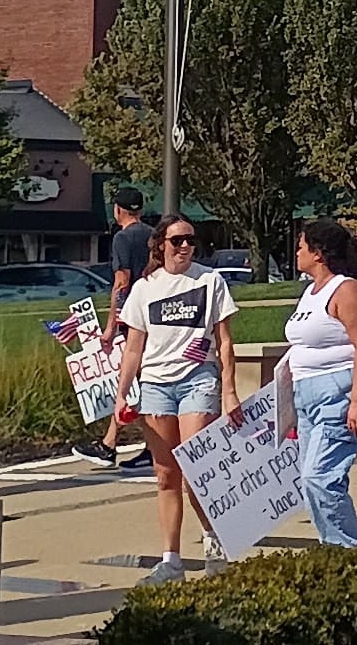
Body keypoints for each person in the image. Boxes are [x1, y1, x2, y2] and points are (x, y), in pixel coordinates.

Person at [112, 215, 241, 584]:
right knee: (166, 473)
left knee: (197, 463)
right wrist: (123, 392)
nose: (184, 247)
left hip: (198, 379)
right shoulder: (144, 288)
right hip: (155, 384)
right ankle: (171, 560)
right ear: (160, 246)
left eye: (190, 241)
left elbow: (226, 342)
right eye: (177, 241)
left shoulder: (209, 281)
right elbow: (134, 346)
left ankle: (215, 542)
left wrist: (229, 391)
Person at [286, 220, 357, 547]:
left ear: (318, 253)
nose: (296, 252)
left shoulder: (348, 290)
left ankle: (349, 549)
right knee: (308, 479)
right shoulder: (310, 292)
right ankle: (332, 546)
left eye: (301, 246)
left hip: (340, 393)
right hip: (306, 397)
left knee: (321, 477)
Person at [76, 186, 155, 468]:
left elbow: (122, 281)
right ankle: (126, 444)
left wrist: (111, 325)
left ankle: (113, 445)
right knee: (141, 382)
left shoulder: (123, 238)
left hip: (134, 319)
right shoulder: (153, 236)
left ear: (117, 210)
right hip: (156, 314)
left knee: (133, 379)